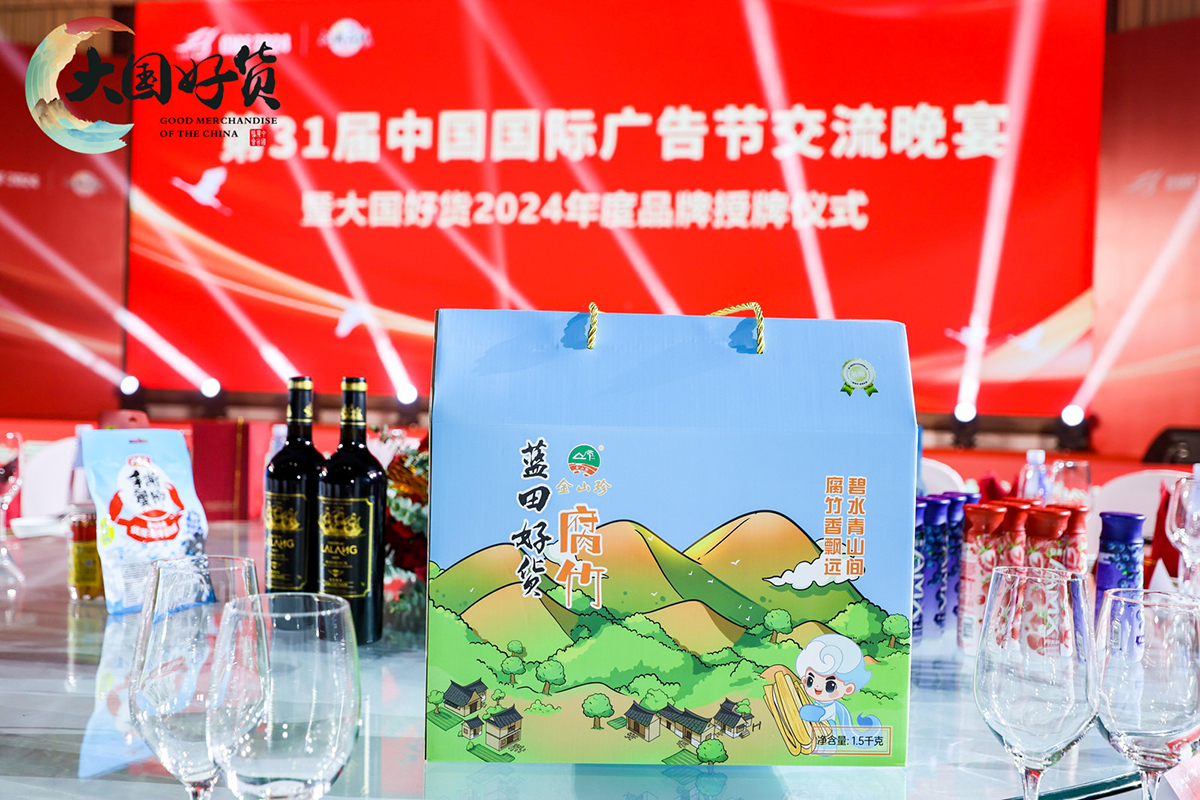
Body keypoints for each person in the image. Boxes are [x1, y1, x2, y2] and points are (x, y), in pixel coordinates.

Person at [795, 633, 881, 753]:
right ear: (804, 680)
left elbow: (820, 714)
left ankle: (827, 749)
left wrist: (809, 712)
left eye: (830, 686)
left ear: (848, 689)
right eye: (810, 681)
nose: (817, 687)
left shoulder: (830, 707)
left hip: (825, 741)